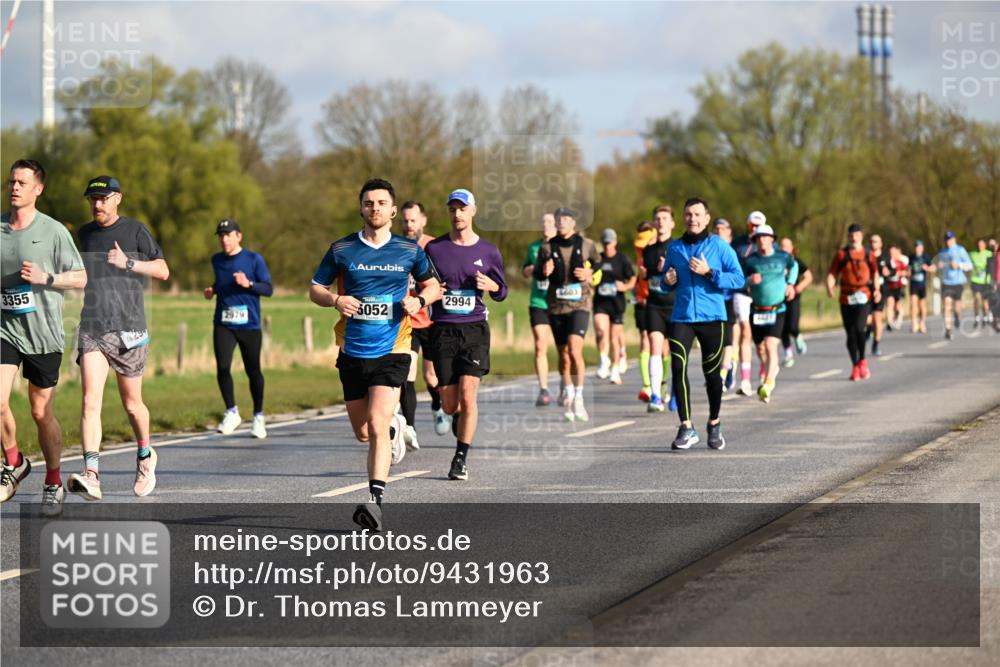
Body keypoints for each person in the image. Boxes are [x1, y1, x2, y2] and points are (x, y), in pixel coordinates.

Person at [310, 178, 441, 531]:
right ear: (361, 208)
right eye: (369, 203)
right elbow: (315, 288)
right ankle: (397, 426)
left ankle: (375, 501)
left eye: (382, 203)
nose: (375, 208)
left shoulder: (409, 251)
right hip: (352, 349)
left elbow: (433, 286)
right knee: (363, 432)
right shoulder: (341, 249)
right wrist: (336, 300)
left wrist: (419, 300)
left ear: (393, 210)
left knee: (377, 423)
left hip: (394, 348)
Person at [69, 176, 170, 502]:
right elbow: (80, 274)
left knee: (131, 404)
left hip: (129, 329)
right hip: (93, 327)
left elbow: (163, 271)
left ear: (117, 199)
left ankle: (144, 455)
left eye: (103, 198)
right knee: (89, 401)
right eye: (92, 199)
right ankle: (92, 474)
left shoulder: (135, 230)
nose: (97, 204)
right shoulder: (84, 234)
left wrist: (127, 262)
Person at [1, 160, 87, 516]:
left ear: (38, 189)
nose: (15, 187)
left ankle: (53, 480)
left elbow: (81, 278)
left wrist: (46, 278)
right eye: (11, 182)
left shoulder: (52, 232)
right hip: (5, 330)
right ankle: (14, 460)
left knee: (40, 412)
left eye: (22, 182)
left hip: (44, 335)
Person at [425, 189, 507, 481]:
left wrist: (492, 285)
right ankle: (459, 420)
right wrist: (432, 292)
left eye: (462, 208)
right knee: (450, 404)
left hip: (474, 331)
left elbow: (502, 291)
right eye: (452, 209)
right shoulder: (435, 249)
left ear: (473, 211)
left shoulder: (488, 251)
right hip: (443, 330)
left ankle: (460, 457)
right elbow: (423, 283)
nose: (457, 214)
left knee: (469, 397)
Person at [662, 197, 744, 450]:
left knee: (711, 375)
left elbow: (739, 279)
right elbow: (665, 283)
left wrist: (709, 273)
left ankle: (714, 423)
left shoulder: (718, 246)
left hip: (713, 318)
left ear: (707, 218)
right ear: (684, 218)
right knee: (678, 366)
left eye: (697, 214)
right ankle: (686, 427)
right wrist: (667, 280)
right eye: (688, 214)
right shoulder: (674, 248)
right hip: (682, 316)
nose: (693, 219)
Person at [204, 218, 273, 439]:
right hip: (223, 322)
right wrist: (212, 290)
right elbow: (222, 282)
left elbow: (269, 289)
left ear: (238, 236)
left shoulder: (254, 259)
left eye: (228, 235)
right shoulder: (216, 260)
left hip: (249, 324)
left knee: (253, 371)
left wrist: (249, 284)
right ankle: (231, 411)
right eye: (221, 235)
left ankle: (258, 417)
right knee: (223, 367)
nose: (224, 239)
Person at [534, 207, 601, 422]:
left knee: (574, 350)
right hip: (556, 306)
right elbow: (536, 272)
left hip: (580, 305)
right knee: (563, 356)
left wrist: (590, 272)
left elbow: (600, 264)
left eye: (565, 219)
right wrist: (543, 271)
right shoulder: (546, 247)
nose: (561, 222)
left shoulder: (587, 244)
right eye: (558, 219)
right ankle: (569, 394)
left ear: (573, 223)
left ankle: (579, 398)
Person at [399, 200, 445, 446]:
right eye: (405, 221)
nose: (409, 225)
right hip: (408, 322)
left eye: (413, 220)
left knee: (431, 377)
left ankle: (438, 405)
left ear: (423, 221)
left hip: (433, 321)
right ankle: (410, 427)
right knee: (408, 373)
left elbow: (446, 281)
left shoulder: (435, 247)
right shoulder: (395, 248)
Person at [743, 225, 798, 403]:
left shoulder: (782, 256)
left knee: (770, 345)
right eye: (758, 238)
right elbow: (738, 281)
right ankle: (770, 371)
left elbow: (795, 265)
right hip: (757, 310)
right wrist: (750, 280)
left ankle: (768, 383)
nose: (762, 240)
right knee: (760, 349)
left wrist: (790, 283)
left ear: (772, 239)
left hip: (777, 309)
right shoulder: (750, 261)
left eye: (765, 237)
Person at [826, 223, 880, 381]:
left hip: (864, 295)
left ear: (861, 236)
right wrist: (830, 286)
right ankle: (855, 365)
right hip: (846, 297)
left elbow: (875, 273)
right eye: (851, 235)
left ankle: (863, 359)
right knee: (850, 334)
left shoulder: (869, 254)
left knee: (859, 328)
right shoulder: (842, 255)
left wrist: (876, 290)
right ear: (848, 237)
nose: (854, 238)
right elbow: (832, 273)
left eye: (856, 235)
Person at [638, 206, 676, 412]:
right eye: (658, 218)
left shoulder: (678, 247)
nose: (661, 222)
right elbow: (647, 275)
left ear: (672, 223)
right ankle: (655, 396)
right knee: (654, 345)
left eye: (665, 218)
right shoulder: (648, 250)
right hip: (654, 305)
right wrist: (645, 274)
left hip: (675, 305)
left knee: (675, 351)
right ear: (654, 223)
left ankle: (675, 390)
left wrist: (669, 270)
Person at [593, 228, 635, 385]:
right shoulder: (598, 259)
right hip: (601, 303)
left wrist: (624, 287)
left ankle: (615, 369)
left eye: (609, 243)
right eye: (604, 243)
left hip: (617, 303)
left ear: (615, 242)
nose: (607, 246)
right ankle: (604, 360)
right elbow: (590, 274)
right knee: (601, 330)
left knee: (613, 337)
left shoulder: (621, 259)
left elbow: (632, 278)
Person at [522, 213, 556, 406]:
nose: (545, 225)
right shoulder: (534, 247)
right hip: (538, 302)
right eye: (542, 222)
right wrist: (531, 269)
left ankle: (566, 386)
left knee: (565, 350)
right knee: (540, 344)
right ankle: (543, 389)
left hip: (559, 303)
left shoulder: (561, 246)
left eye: (549, 222)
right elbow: (525, 270)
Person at [731, 211, 764, 395]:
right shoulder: (738, 244)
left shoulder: (769, 245)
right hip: (741, 292)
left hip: (761, 296)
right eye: (752, 225)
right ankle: (744, 380)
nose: (754, 229)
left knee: (761, 340)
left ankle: (764, 371)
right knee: (745, 330)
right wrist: (747, 281)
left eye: (758, 226)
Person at [713, 219, 739, 391]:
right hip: (712, 300)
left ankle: (723, 374)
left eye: (722, 229)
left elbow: (739, 277)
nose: (719, 232)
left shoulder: (733, 252)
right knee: (716, 342)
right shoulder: (708, 251)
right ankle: (728, 366)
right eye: (716, 229)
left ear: (729, 233)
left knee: (728, 339)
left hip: (729, 299)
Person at [778, 237, 812, 368]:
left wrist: (799, 287)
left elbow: (809, 277)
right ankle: (788, 355)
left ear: (792, 248)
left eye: (786, 246)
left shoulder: (796, 261)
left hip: (794, 298)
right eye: (781, 246)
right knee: (782, 328)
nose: (784, 249)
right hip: (779, 298)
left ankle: (797, 336)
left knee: (792, 326)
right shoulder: (776, 261)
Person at [633, 220, 656, 401]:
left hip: (661, 301)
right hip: (643, 300)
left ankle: (662, 385)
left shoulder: (665, 249)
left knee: (662, 347)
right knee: (645, 339)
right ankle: (647, 386)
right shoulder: (639, 250)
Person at [935, 231, 973, 340]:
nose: (948, 242)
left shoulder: (960, 250)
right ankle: (948, 329)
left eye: (950, 239)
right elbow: (938, 265)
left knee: (957, 306)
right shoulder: (942, 252)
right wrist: (939, 266)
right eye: (946, 240)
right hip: (946, 282)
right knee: (946, 305)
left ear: (954, 239)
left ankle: (957, 316)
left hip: (958, 282)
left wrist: (959, 265)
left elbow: (969, 265)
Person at [907, 240, 935, 334]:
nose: (917, 249)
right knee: (913, 303)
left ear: (922, 248)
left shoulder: (926, 257)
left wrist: (927, 268)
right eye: (916, 247)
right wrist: (908, 273)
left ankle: (922, 323)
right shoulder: (911, 257)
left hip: (922, 284)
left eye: (919, 247)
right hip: (913, 283)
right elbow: (908, 269)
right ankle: (914, 323)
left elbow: (933, 268)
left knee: (922, 304)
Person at [868, 234, 888, 356]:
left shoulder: (885, 257)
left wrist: (888, 271)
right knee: (867, 319)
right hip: (866, 289)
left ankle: (876, 344)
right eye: (871, 241)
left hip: (880, 291)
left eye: (875, 241)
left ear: (880, 244)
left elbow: (893, 270)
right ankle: (869, 330)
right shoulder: (866, 256)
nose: (873, 243)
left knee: (877, 318)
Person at [883, 244, 909, 331]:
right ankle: (889, 322)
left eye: (893, 252)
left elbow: (907, 272)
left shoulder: (901, 262)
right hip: (889, 285)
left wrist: (900, 273)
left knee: (897, 305)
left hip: (898, 286)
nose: (892, 254)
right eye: (890, 253)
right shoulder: (887, 262)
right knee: (890, 303)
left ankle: (899, 319)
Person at [969, 238, 993, 329]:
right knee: (976, 297)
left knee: (985, 301)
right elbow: (966, 263)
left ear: (984, 245)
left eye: (982, 244)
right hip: (975, 280)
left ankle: (985, 316)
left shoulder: (989, 254)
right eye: (978, 244)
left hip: (986, 281)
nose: (980, 246)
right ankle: (976, 316)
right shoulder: (972, 254)